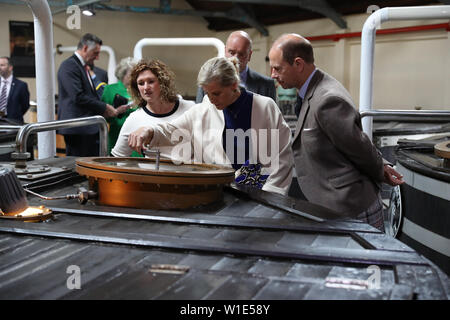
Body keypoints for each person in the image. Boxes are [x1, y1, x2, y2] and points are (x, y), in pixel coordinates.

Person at [268, 33, 404, 231]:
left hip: (351, 207)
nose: (272, 74)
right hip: (332, 205)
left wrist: (381, 168)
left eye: (277, 68)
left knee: (366, 262)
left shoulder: (327, 100)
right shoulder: (309, 90)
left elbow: (360, 148)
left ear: (298, 64)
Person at [128, 56, 293, 195]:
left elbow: (281, 159)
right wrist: (149, 131)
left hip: (260, 192)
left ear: (234, 85)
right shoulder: (204, 109)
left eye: (216, 93)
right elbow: (172, 129)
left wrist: (270, 197)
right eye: (207, 93)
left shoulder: (264, 107)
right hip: (219, 193)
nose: (211, 99)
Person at [57, 33, 127, 156]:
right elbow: (78, 96)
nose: (97, 57)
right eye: (95, 53)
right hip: (78, 128)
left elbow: (89, 96)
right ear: (84, 48)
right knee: (78, 168)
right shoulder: (69, 66)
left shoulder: (83, 67)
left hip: (87, 127)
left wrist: (104, 109)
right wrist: (104, 107)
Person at [111, 59, 194, 158]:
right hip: (150, 172)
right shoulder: (135, 118)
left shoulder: (189, 108)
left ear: (163, 83)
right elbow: (116, 158)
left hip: (186, 172)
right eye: (141, 83)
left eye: (151, 81)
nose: (146, 87)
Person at [195, 31, 276, 103]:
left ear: (249, 55)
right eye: (231, 52)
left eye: (241, 54)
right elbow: (198, 117)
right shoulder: (207, 81)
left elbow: (271, 118)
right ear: (225, 51)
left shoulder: (267, 85)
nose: (235, 58)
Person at [101, 57, 138, 154]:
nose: (135, 78)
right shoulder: (109, 90)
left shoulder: (140, 89)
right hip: (117, 133)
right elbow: (103, 116)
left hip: (137, 136)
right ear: (123, 74)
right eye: (131, 75)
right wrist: (116, 111)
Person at [0, 56, 30, 124]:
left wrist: (15, 114)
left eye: (2, 65)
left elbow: (25, 105)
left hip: (13, 123)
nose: (0, 67)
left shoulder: (21, 85)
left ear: (10, 67)